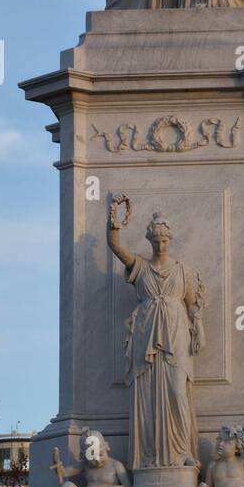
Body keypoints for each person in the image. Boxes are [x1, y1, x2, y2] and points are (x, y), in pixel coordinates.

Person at [107, 199, 206, 471]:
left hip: (176, 334)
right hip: (147, 333)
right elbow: (115, 247)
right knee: (148, 396)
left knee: (177, 392)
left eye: (164, 241)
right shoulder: (141, 267)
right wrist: (114, 224)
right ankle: (149, 454)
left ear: (169, 240)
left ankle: (183, 450)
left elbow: (192, 305)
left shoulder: (182, 271)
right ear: (150, 241)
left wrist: (199, 330)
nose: (160, 245)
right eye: (156, 241)